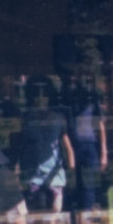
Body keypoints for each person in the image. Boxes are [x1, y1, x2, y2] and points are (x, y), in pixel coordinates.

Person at [18, 77, 75, 213]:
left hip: (54, 171)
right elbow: (19, 144)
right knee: (32, 208)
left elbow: (67, 146)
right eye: (37, 94)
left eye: (44, 94)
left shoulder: (58, 118)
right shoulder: (25, 118)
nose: (41, 98)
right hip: (32, 171)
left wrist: (71, 171)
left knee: (56, 205)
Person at [71, 89, 107, 209]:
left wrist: (103, 153)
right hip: (73, 147)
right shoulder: (70, 101)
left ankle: (86, 216)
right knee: (75, 185)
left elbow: (100, 127)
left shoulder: (92, 103)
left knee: (89, 184)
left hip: (89, 147)